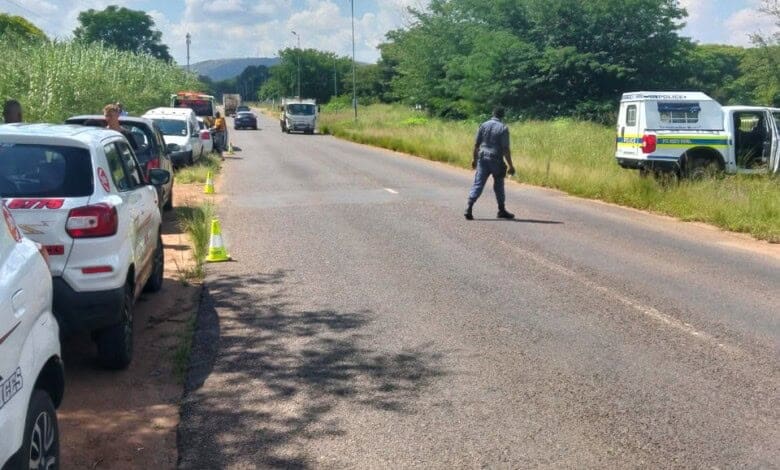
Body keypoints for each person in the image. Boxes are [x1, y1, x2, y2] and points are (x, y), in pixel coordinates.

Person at [464, 106, 516, 220]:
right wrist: (511, 166)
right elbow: (505, 149)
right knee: (499, 185)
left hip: (482, 158)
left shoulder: (483, 125)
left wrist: (474, 159)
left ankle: (469, 207)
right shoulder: (503, 128)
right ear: (503, 115)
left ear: (493, 113)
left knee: (478, 183)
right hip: (496, 160)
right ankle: (501, 209)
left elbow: (476, 145)